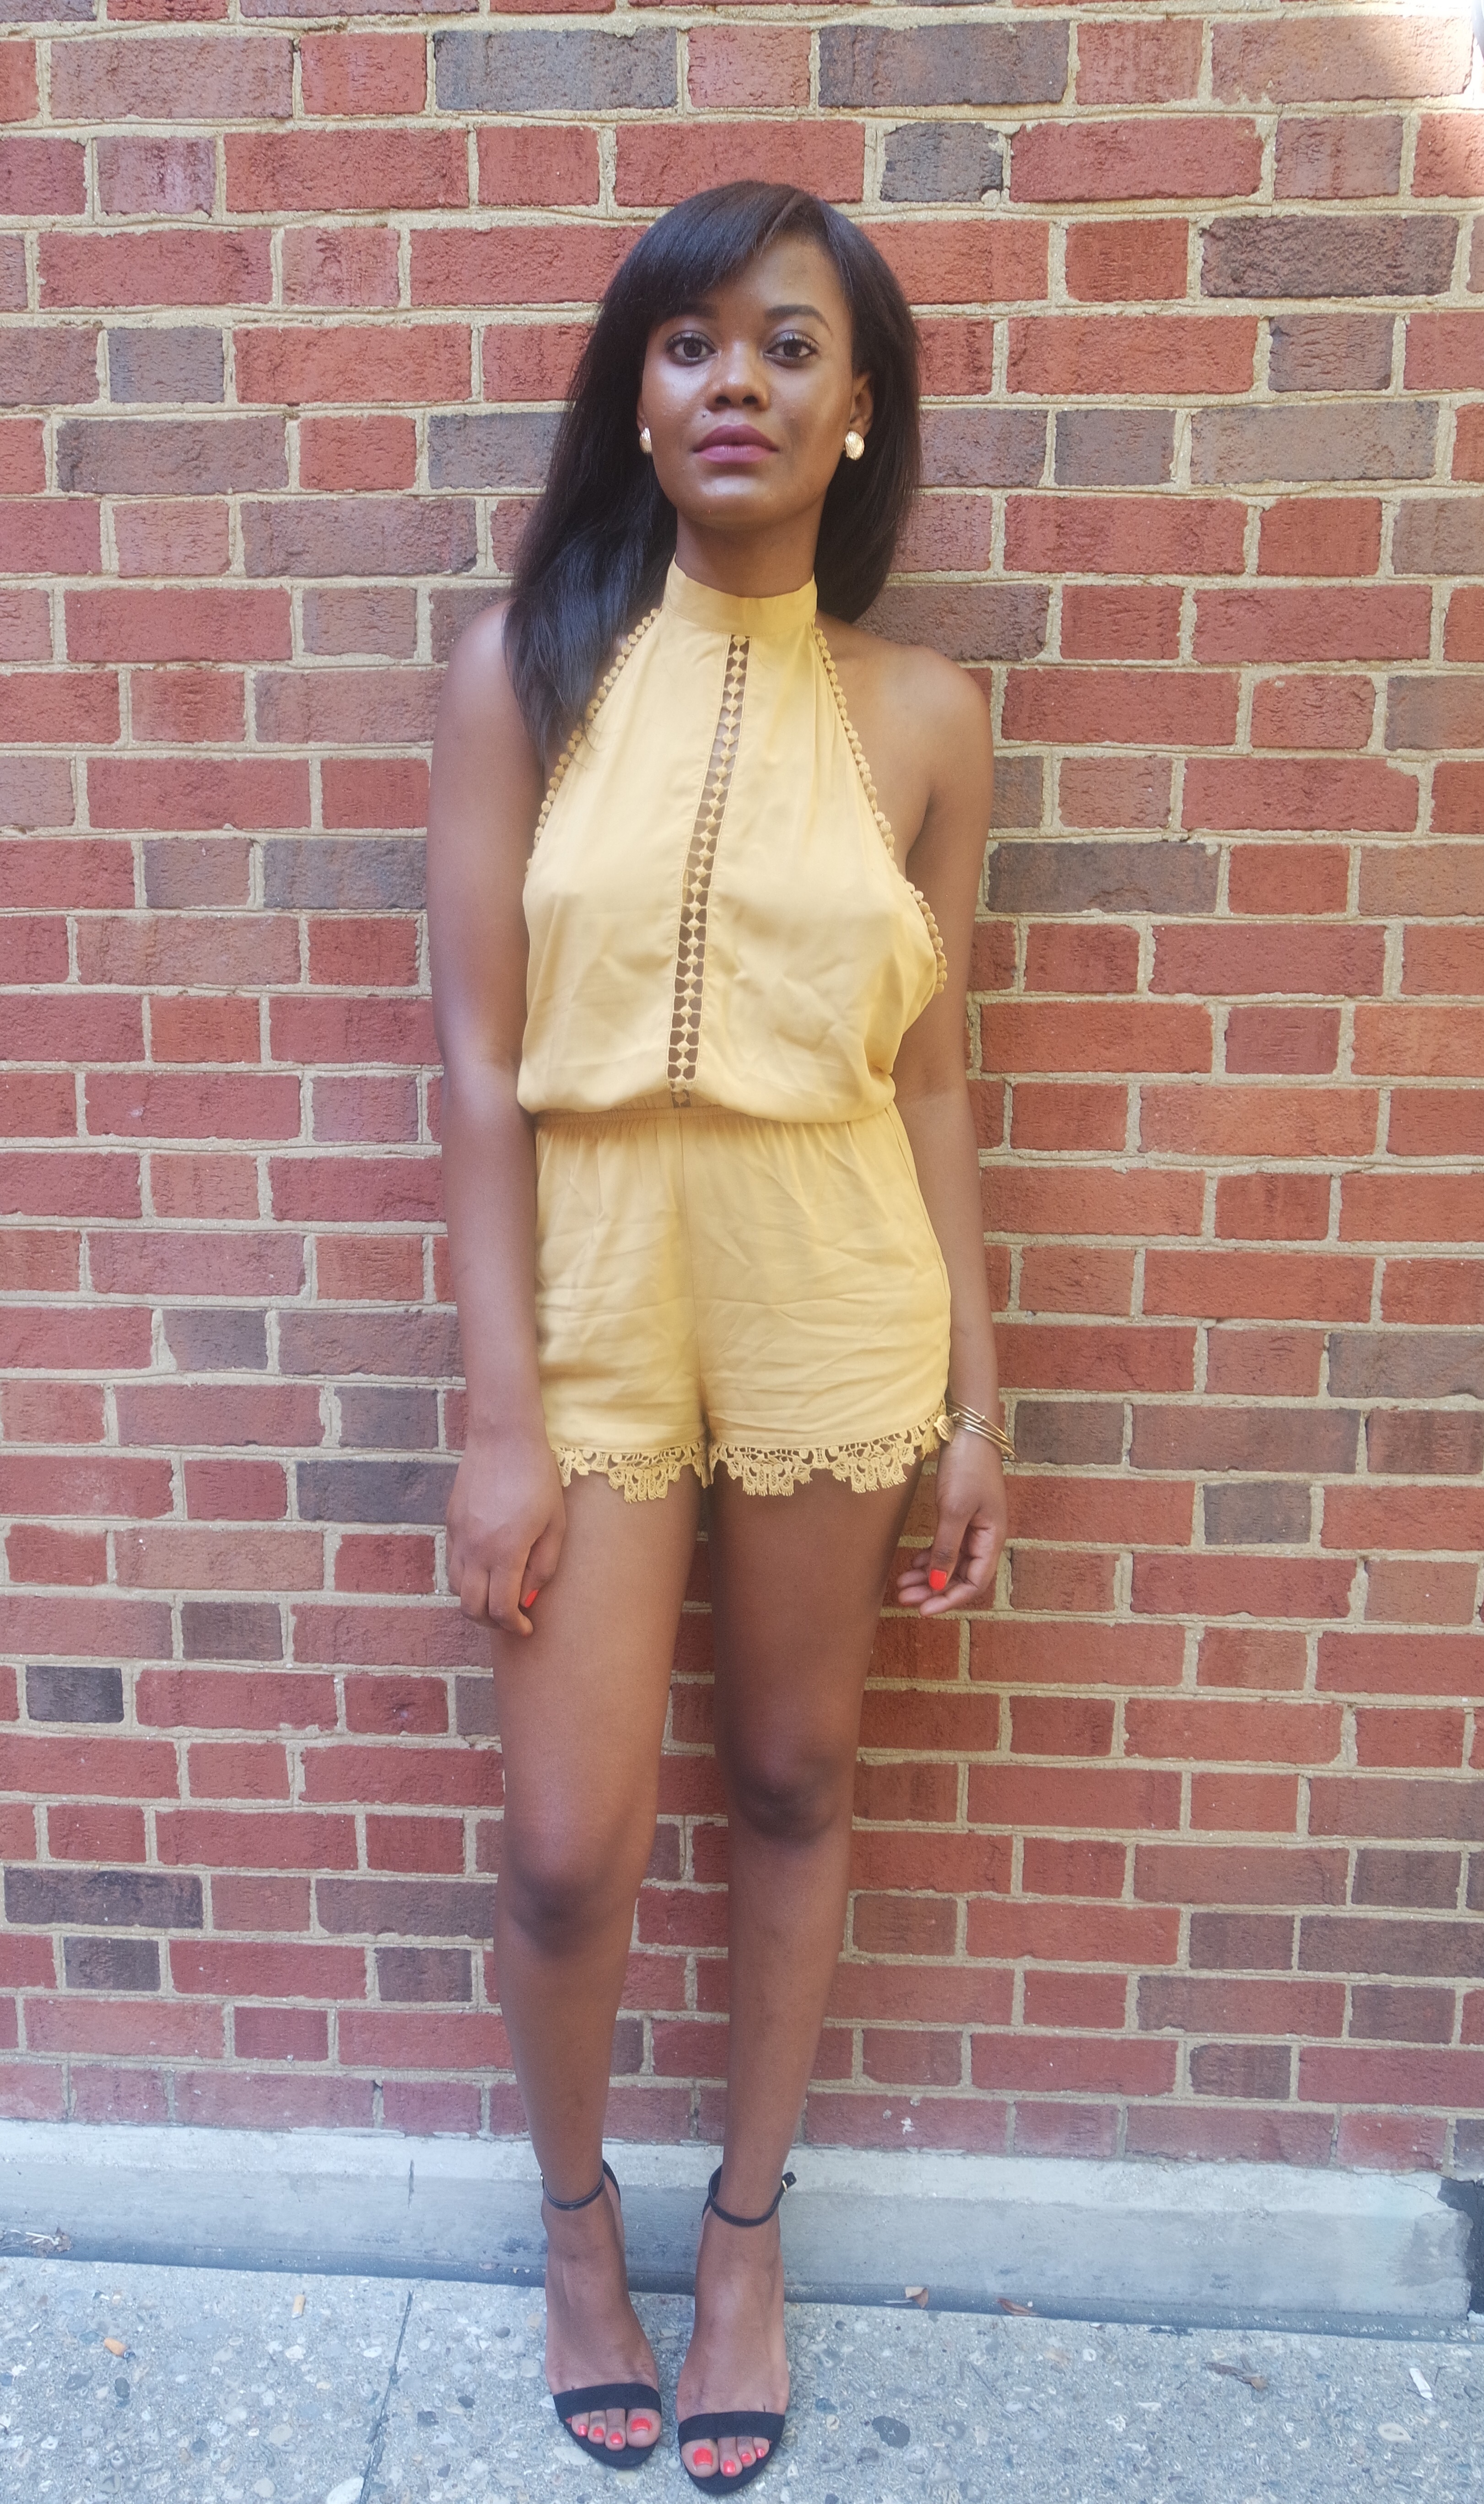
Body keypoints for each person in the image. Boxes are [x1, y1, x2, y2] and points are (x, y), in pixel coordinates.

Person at [427, 181, 1009, 2494]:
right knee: (569, 1847)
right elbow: (478, 1060)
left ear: (857, 410)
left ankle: (744, 2244)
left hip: (829, 1282)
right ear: (637, 399)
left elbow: (934, 1075)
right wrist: (500, 1416)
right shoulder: (523, 672)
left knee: (788, 1776)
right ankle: (578, 2230)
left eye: (785, 344)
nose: (733, 383)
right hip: (591, 1294)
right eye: (687, 345)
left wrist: (979, 1399)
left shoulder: (926, 716)